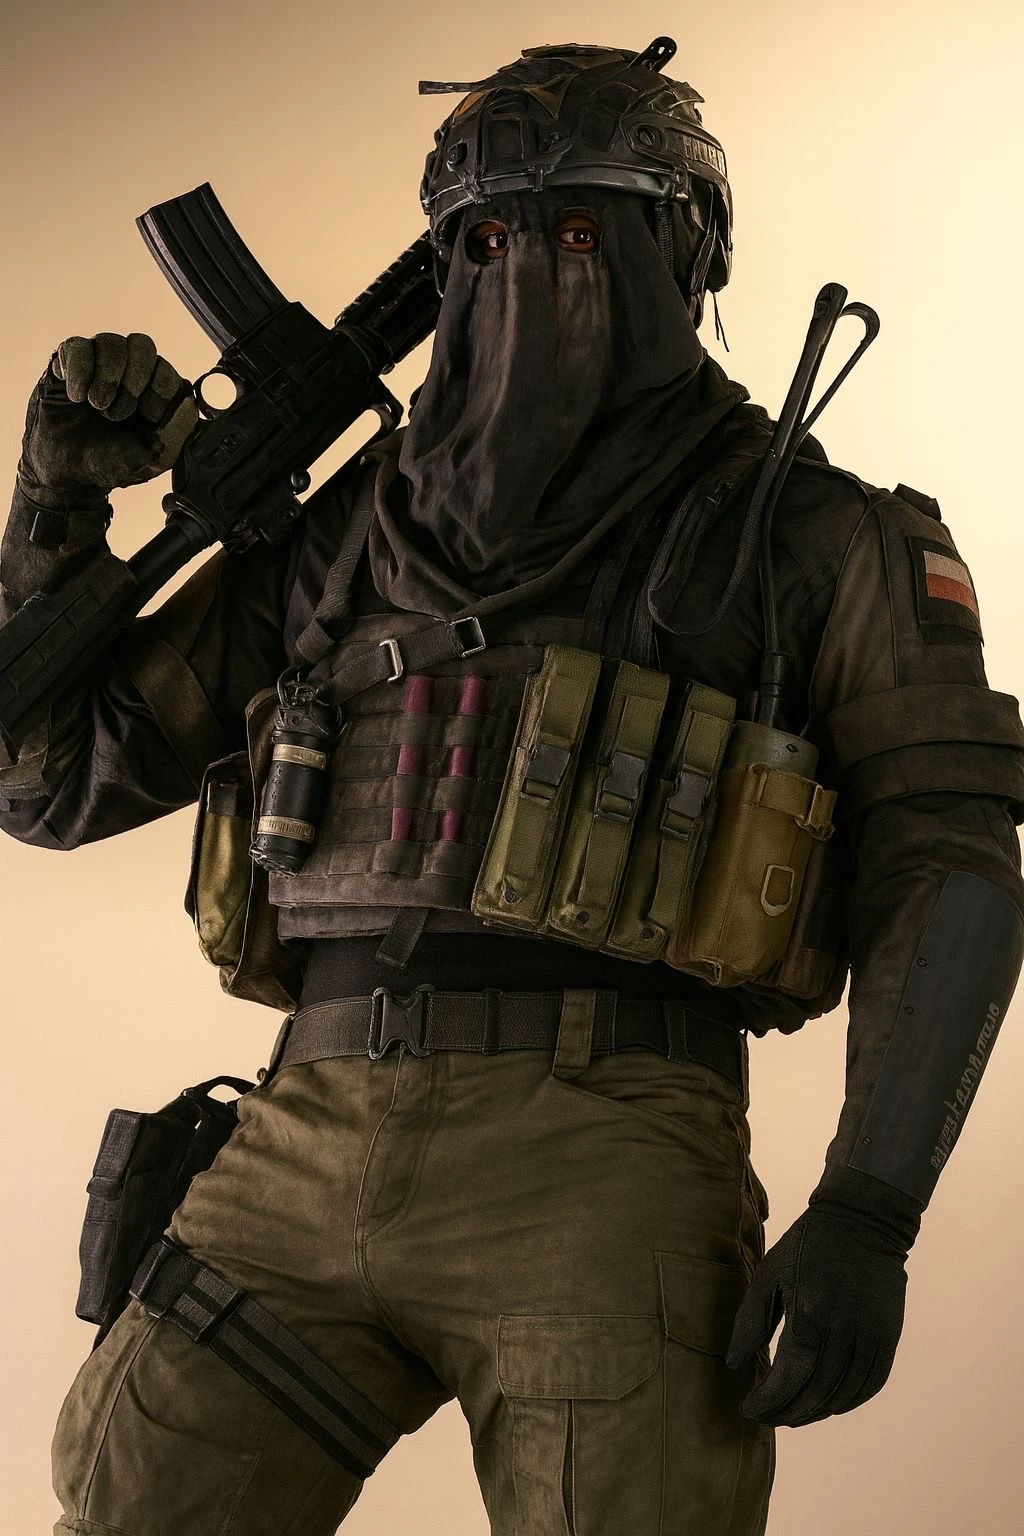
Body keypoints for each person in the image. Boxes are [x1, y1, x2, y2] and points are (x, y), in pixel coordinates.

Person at [2, 39, 1022, 1536]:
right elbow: (49, 787)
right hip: (302, 1131)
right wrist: (51, 508)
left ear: (689, 251)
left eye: (585, 235)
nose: (531, 276)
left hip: (604, 1149)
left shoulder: (821, 537)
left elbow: (949, 864)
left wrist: (872, 1209)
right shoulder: (348, 537)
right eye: (484, 245)